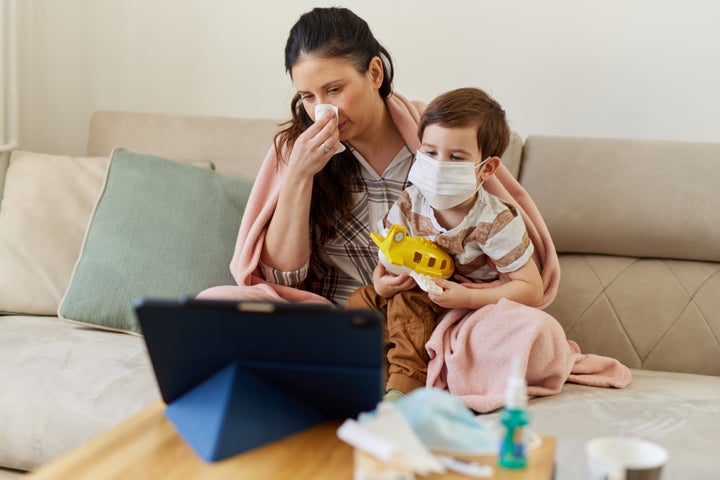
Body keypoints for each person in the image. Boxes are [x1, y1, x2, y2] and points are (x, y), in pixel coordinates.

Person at [197, 7, 561, 406]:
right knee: (216, 307)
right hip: (336, 320)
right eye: (307, 96)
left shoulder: (437, 140)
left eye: (334, 90)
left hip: (441, 324)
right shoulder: (295, 149)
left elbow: (506, 262)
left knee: (535, 335)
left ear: (374, 73)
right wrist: (300, 176)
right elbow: (281, 281)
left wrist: (461, 296)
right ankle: (388, 373)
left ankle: (407, 372)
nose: (322, 111)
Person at [346, 88, 544, 400]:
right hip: (414, 288)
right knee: (362, 300)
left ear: (486, 169)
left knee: (408, 304)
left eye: (455, 157)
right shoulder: (412, 201)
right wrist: (381, 283)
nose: (439, 165)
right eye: (430, 152)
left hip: (462, 302)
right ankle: (372, 374)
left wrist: (466, 296)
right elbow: (387, 255)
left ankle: (403, 388)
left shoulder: (494, 221)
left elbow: (532, 289)